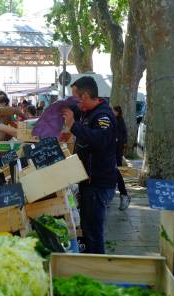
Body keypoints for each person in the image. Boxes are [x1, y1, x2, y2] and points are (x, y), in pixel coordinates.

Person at [61, 76, 117, 254]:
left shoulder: (103, 115)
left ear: (85, 96)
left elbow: (100, 140)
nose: (75, 103)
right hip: (88, 181)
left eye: (76, 97)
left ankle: (97, 269)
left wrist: (73, 126)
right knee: (88, 227)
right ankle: (93, 262)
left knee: (93, 231)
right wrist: (69, 131)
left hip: (98, 183)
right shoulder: (87, 112)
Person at [113, 105, 131, 210]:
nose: (113, 112)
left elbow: (123, 135)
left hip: (116, 150)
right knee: (115, 171)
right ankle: (122, 195)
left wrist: (121, 143)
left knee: (117, 171)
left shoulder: (119, 121)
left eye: (114, 111)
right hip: (114, 150)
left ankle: (124, 195)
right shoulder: (114, 120)